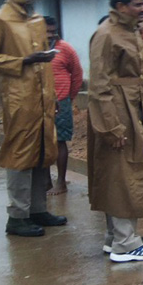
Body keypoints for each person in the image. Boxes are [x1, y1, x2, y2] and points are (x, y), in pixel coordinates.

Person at [0, 0, 67, 236]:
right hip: (18, 98)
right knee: (20, 156)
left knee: (43, 153)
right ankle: (17, 215)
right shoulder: (0, 21)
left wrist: (51, 96)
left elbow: (44, 62)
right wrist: (22, 61)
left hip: (42, 98)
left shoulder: (38, 20)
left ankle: (38, 209)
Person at [88, 0, 143, 263]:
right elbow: (98, 85)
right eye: (136, 4)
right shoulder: (106, 34)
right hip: (118, 110)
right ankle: (125, 244)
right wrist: (111, 126)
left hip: (132, 105)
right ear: (120, 7)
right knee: (123, 174)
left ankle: (116, 237)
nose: (142, 9)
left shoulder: (128, 30)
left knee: (122, 171)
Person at [43, 16, 83, 196]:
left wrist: (68, 96)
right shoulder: (33, 49)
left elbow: (77, 74)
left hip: (61, 101)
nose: (50, 34)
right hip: (39, 104)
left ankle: (61, 182)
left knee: (60, 141)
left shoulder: (65, 49)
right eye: (46, 31)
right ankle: (45, 181)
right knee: (41, 143)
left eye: (52, 31)